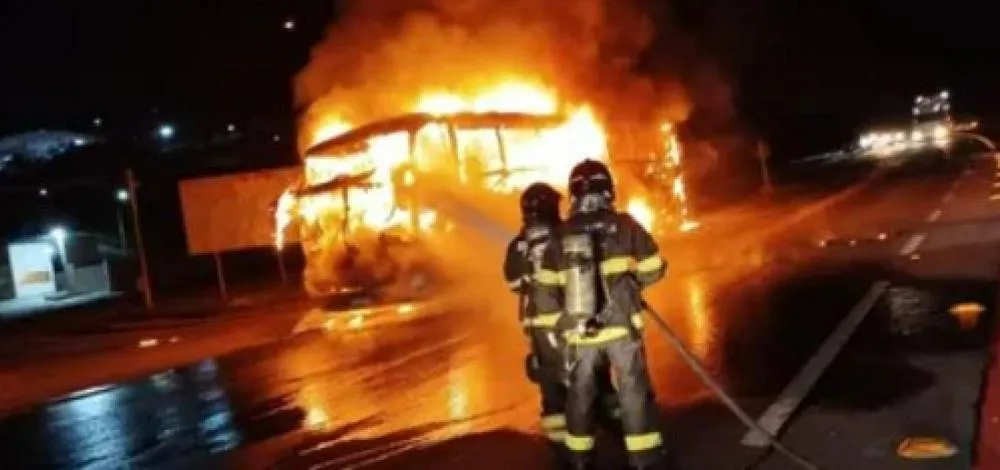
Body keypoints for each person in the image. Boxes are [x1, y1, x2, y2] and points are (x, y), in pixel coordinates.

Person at [533, 160, 668, 470]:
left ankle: (579, 457)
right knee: (633, 392)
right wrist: (633, 284)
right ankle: (644, 457)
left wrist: (566, 323)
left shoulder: (561, 234)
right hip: (621, 328)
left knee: (580, 394)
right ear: (607, 190)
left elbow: (544, 293)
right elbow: (654, 266)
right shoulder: (624, 225)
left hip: (582, 333)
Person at [503, 182, 620, 464]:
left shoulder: (519, 245)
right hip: (575, 321)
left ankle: (567, 456)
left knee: (553, 395)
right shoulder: (567, 233)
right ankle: (624, 434)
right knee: (597, 380)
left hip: (541, 333)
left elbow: (514, 283)